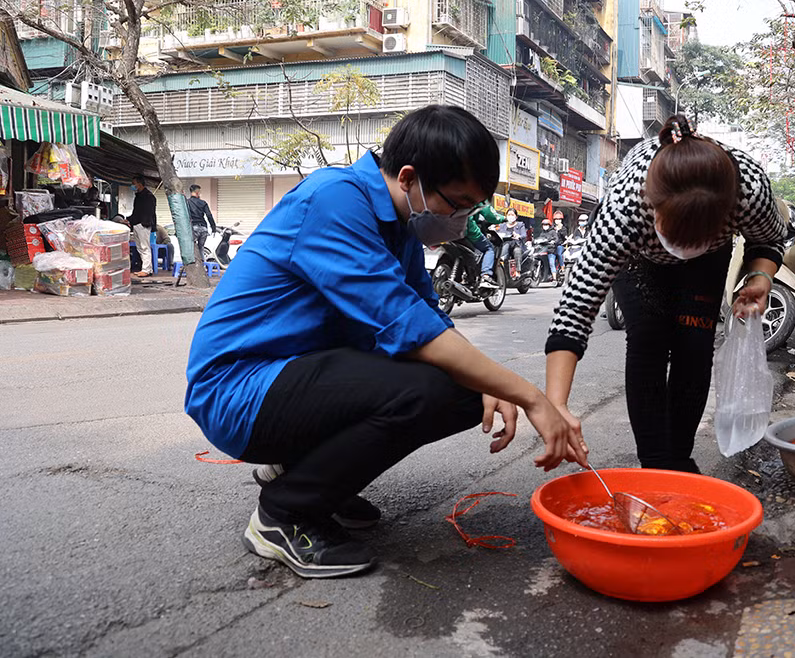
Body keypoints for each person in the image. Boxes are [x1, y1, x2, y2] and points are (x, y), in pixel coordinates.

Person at [184, 105, 585, 579]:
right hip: (239, 391)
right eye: (456, 203)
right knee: (442, 389)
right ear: (410, 177)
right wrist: (530, 395)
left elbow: (429, 318)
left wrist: (493, 383)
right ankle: (285, 513)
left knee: (467, 389)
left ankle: (308, 476)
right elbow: (411, 333)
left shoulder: (400, 231)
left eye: (471, 208)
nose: (460, 218)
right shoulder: (335, 201)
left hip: (295, 377)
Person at [544, 115, 787, 474]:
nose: (682, 249)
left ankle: (679, 458)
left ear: (726, 215)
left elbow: (768, 239)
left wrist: (760, 277)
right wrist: (555, 405)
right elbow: (576, 307)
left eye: (696, 239)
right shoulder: (625, 209)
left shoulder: (747, 189)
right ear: (653, 209)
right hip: (639, 260)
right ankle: (656, 464)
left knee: (695, 342)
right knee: (649, 336)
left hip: (706, 263)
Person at [464, 203, 507, 285]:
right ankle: (486, 275)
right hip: (466, 230)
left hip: (443, 229)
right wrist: (503, 218)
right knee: (489, 249)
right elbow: (489, 214)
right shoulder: (477, 193)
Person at [126, 174, 157, 278]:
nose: (132, 186)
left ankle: (146, 270)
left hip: (143, 224)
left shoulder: (148, 196)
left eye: (134, 184)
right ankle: (147, 268)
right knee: (140, 248)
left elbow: (149, 212)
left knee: (145, 247)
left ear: (139, 184)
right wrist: (129, 220)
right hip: (137, 224)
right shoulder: (138, 196)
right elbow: (136, 212)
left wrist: (144, 222)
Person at [187, 184, 217, 264]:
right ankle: (202, 265)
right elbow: (209, 215)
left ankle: (192, 266)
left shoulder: (187, 202)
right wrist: (213, 227)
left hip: (193, 227)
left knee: (191, 247)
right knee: (201, 248)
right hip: (204, 228)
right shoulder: (203, 203)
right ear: (197, 192)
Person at [494, 208, 527, 276]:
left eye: (512, 214)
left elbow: (524, 235)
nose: (510, 216)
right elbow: (497, 232)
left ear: (516, 216)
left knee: (517, 251)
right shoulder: (502, 225)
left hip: (516, 244)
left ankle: (518, 271)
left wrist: (518, 236)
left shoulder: (520, 224)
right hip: (504, 244)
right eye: (509, 215)